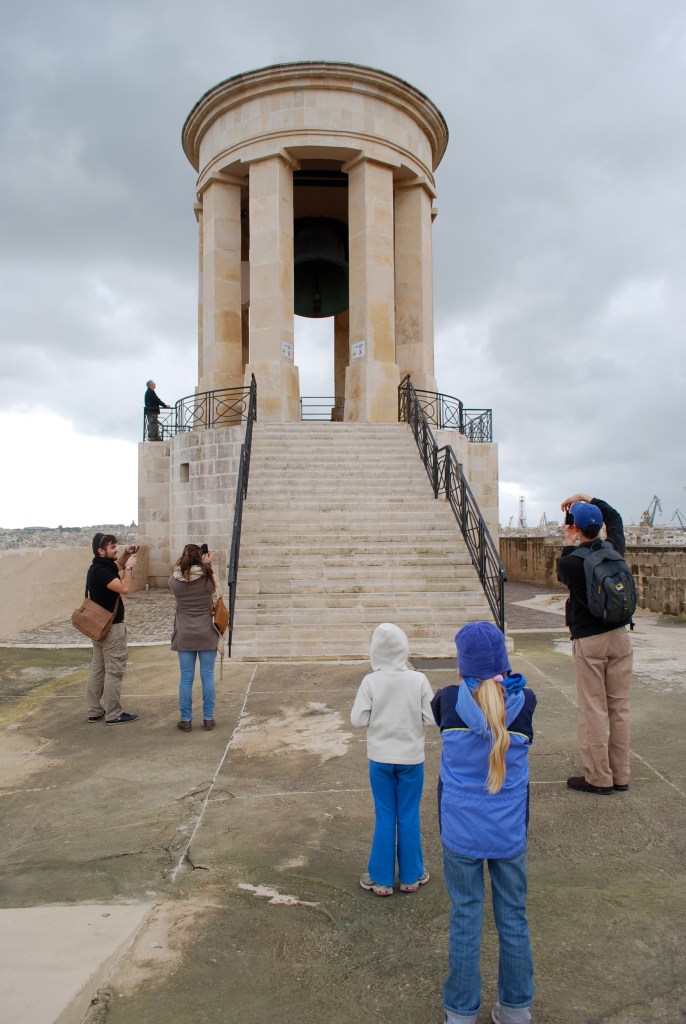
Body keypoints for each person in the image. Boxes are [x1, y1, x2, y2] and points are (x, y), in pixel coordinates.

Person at [432, 621, 536, 1024]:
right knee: (513, 915)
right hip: (508, 830)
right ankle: (515, 1007)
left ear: (461, 668)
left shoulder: (447, 701)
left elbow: (450, 706)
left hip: (461, 832)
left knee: (465, 915)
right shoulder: (525, 702)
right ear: (505, 666)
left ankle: (460, 1010)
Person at [557, 493, 634, 795]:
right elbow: (615, 517)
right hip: (620, 637)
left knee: (593, 709)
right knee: (619, 708)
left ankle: (599, 777)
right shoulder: (615, 549)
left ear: (574, 528)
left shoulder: (569, 562)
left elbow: (566, 568)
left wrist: (569, 538)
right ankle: (621, 775)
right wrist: (589, 499)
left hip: (589, 641)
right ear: (600, 527)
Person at [350, 622, 434, 896]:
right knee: (408, 814)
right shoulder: (418, 679)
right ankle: (412, 874)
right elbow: (432, 717)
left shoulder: (371, 681)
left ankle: (381, 878)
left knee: (385, 814)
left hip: (380, 758)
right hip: (411, 758)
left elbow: (357, 719)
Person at [85, 533, 140, 725]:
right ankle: (114, 713)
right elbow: (124, 588)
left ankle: (94, 711)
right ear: (101, 551)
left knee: (98, 669)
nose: (116, 549)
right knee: (114, 671)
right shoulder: (102, 572)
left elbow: (116, 566)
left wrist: (126, 554)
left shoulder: (97, 568)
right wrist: (130, 569)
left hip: (98, 627)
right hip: (111, 629)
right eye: (112, 547)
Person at [169, 543, 222, 732]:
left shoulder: (175, 582)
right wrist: (207, 564)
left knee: (186, 678)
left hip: (185, 633)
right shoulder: (208, 579)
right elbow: (214, 587)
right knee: (207, 676)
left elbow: (177, 573)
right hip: (206, 631)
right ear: (201, 557)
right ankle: (208, 718)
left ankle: (186, 719)